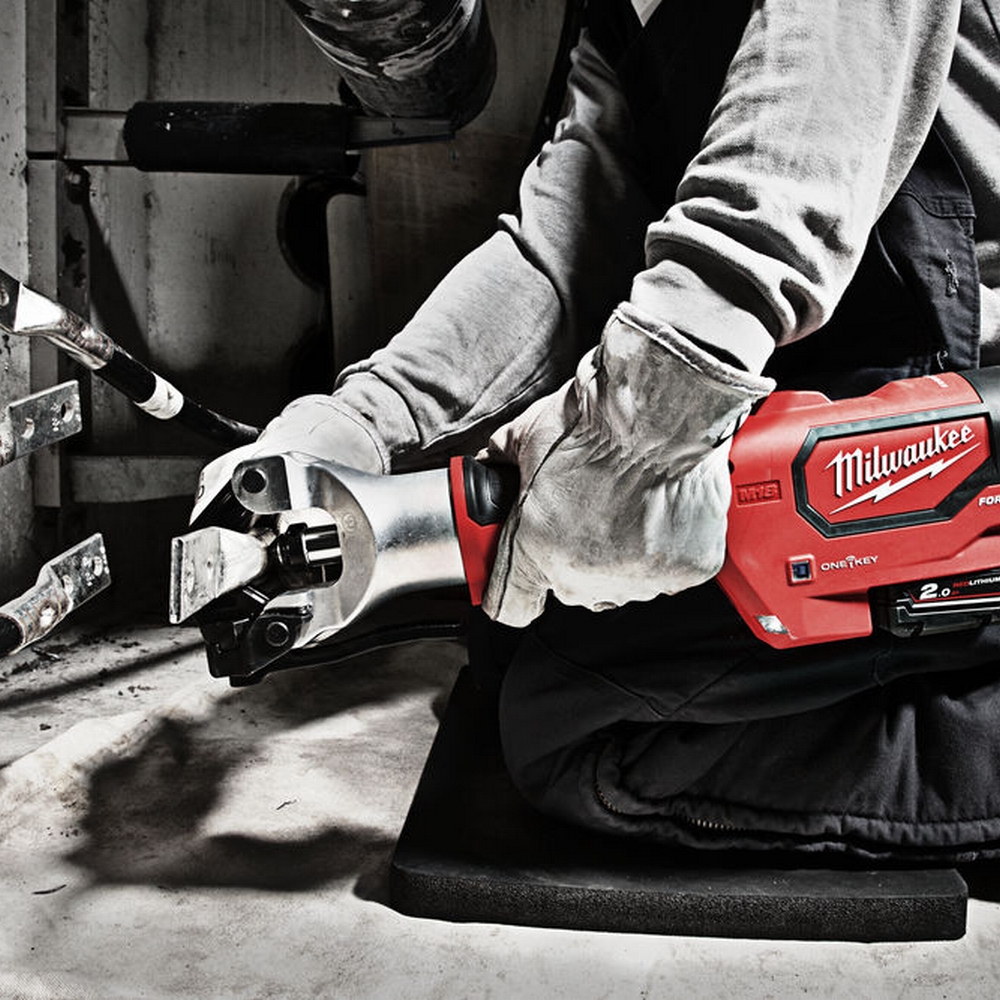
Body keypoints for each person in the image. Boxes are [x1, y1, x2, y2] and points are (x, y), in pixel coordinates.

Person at [197, 0, 1000, 859]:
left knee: (571, 725)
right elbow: (561, 247)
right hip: (832, 403)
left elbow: (788, 169)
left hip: (958, 428)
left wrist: (635, 428)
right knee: (506, 641)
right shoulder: (619, 19)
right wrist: (358, 423)